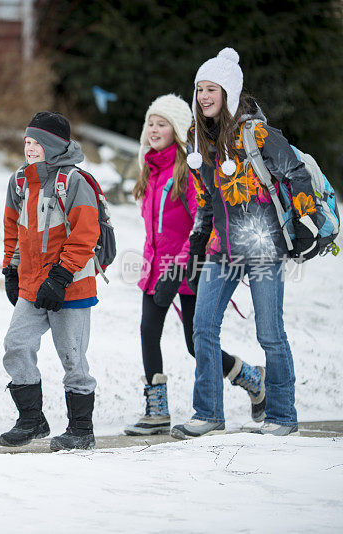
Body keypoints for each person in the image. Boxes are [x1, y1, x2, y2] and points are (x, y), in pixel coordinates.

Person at [171, 48, 319, 439]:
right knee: (202, 328)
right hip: (222, 250)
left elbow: (297, 173)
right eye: (199, 89)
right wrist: (199, 239)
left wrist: (304, 221)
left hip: (264, 247)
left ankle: (282, 416)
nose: (204, 96)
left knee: (270, 333)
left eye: (211, 89)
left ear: (229, 93)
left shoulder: (257, 134)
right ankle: (208, 413)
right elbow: (205, 195)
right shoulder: (196, 138)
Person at [125, 95, 265, 436]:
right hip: (155, 267)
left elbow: (200, 224)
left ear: (177, 129)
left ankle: (251, 377)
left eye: (162, 124)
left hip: (187, 268)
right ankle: (156, 409)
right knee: (147, 331)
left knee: (194, 342)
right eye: (151, 124)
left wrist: (180, 269)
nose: (155, 130)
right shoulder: (149, 168)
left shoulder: (187, 169)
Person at [0, 111, 100, 451]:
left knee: (73, 358)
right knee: (16, 345)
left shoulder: (73, 183)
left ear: (54, 147)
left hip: (69, 287)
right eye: (27, 142)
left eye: (36, 144)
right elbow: (13, 229)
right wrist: (10, 269)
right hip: (31, 285)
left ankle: (81, 430)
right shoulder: (19, 181)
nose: (29, 148)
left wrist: (60, 277)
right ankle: (31, 420)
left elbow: (86, 234)